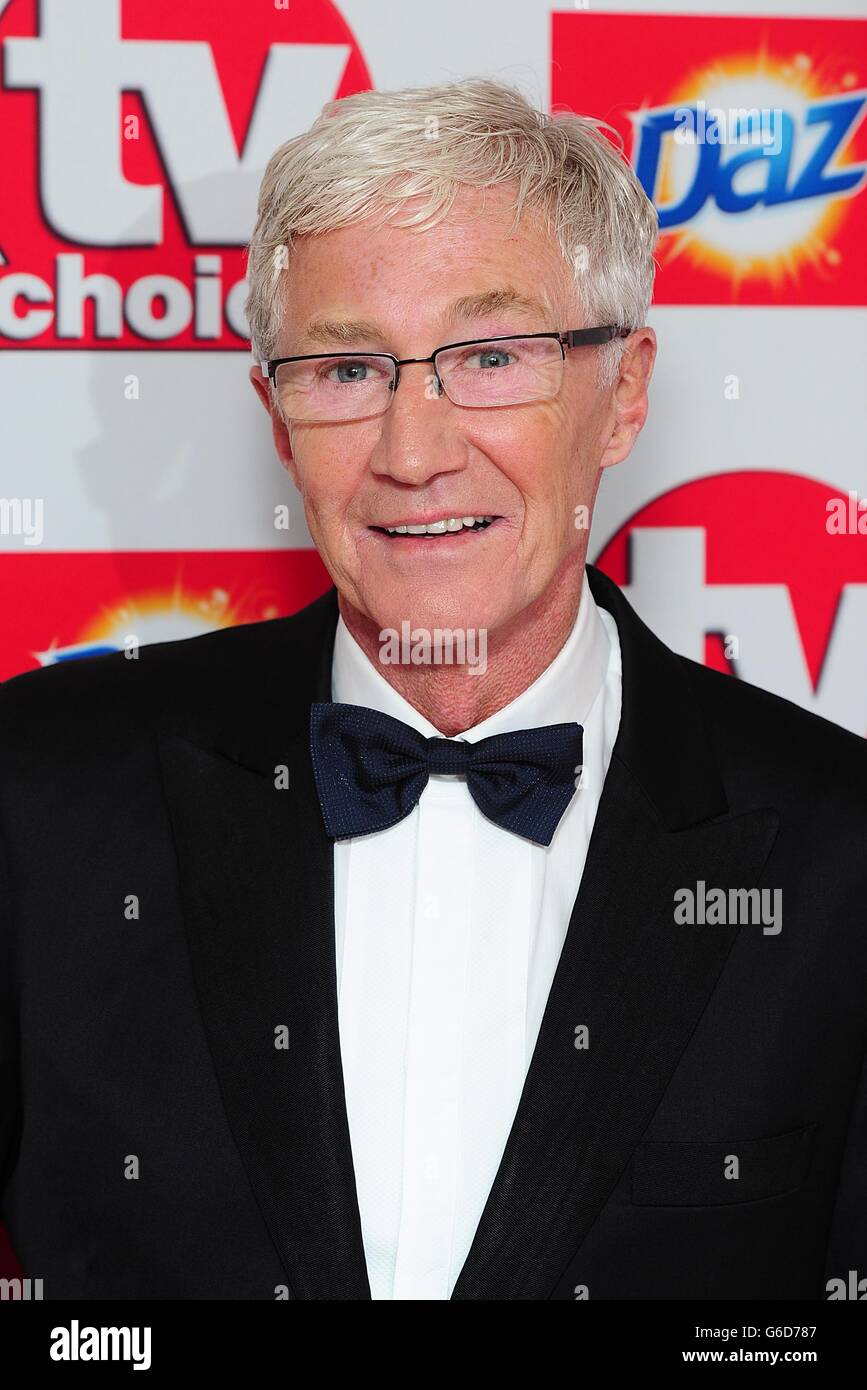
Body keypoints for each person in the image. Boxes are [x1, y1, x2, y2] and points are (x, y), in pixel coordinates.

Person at [0, 77, 864, 1302]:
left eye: (493, 356)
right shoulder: (39, 795)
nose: (413, 452)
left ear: (622, 392)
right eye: (347, 369)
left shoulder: (839, 851)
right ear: (276, 413)